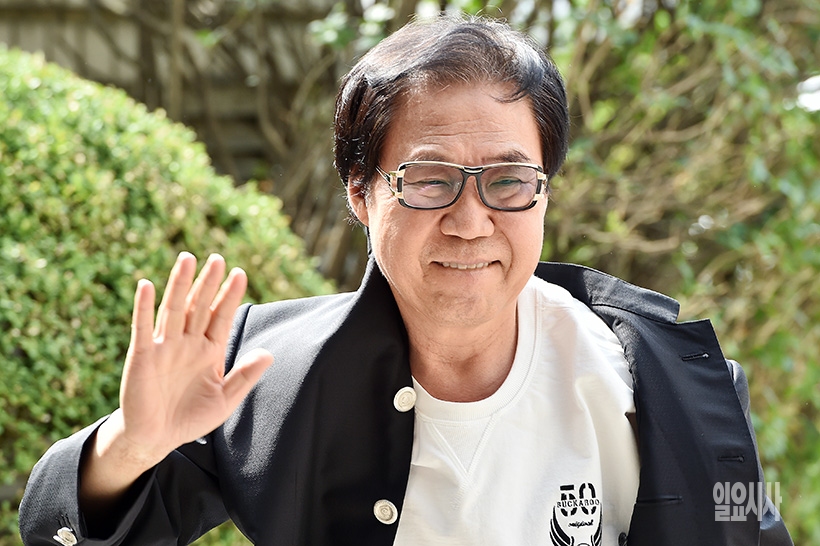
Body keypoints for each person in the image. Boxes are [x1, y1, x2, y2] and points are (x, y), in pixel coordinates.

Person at [19, 14, 791, 546]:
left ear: (545, 191)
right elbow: (58, 530)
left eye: (509, 181)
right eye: (428, 181)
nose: (471, 221)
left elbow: (752, 530)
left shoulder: (677, 381)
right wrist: (132, 445)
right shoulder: (268, 375)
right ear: (361, 193)